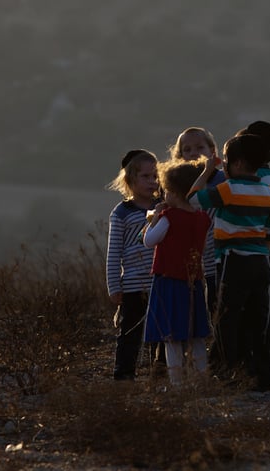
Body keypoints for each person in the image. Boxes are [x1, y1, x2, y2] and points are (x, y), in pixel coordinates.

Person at [189, 132, 270, 391]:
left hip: (233, 261)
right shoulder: (268, 192)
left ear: (237, 163)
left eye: (226, 160)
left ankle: (226, 373)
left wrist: (206, 172)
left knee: (226, 318)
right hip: (262, 264)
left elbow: (193, 200)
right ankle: (262, 374)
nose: (223, 165)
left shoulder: (227, 189)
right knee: (257, 319)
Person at [142, 158, 213, 386]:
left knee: (171, 336)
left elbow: (148, 241)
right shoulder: (202, 218)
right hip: (193, 282)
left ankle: (177, 384)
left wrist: (153, 220)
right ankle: (202, 378)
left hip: (168, 282)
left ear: (174, 192)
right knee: (196, 334)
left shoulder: (169, 218)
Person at [105, 148, 159, 381]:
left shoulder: (163, 207)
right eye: (145, 177)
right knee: (130, 332)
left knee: (158, 330)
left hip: (159, 279)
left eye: (155, 176)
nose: (152, 181)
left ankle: (159, 371)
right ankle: (124, 374)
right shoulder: (121, 213)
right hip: (133, 285)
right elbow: (114, 251)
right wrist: (114, 286)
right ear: (130, 180)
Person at [237, 121, 270, 377]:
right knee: (268, 307)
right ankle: (263, 364)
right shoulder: (268, 177)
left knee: (254, 308)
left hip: (262, 245)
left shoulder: (257, 179)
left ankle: (255, 366)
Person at [168, 126, 224, 317]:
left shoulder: (222, 181)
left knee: (219, 309)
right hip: (186, 265)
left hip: (217, 258)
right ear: (179, 155)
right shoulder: (175, 188)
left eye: (200, 148)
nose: (194, 153)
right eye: (187, 149)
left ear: (212, 151)